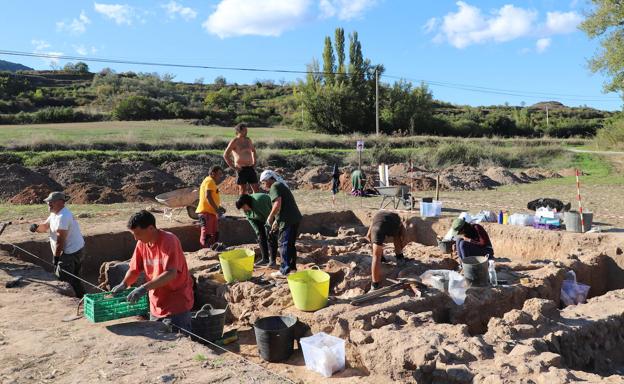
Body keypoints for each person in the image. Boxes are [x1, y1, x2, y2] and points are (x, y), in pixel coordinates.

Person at [112, 210, 194, 332]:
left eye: (138, 234)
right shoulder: (141, 244)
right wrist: (124, 284)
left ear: (151, 228)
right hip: (156, 304)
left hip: (176, 305)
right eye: (133, 234)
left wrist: (143, 288)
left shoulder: (169, 241)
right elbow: (134, 270)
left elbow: (171, 273)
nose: (136, 238)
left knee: (178, 342)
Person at [30, 191, 85, 298]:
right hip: (75, 249)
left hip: (70, 253)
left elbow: (60, 241)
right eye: (48, 202)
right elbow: (45, 226)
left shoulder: (63, 216)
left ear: (60, 202)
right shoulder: (54, 213)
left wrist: (56, 258)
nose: (48, 204)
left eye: (51, 202)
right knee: (75, 279)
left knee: (65, 280)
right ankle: (82, 298)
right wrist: (36, 228)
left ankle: (72, 301)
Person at [260, 170, 302, 277]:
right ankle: (292, 268)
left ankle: (284, 270)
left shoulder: (274, 186)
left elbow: (278, 203)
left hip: (287, 220)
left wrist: (270, 217)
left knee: (283, 244)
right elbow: (283, 206)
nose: (264, 185)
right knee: (290, 244)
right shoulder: (280, 185)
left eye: (264, 182)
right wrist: (276, 221)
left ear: (269, 180)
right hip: (294, 218)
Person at [365, 211, 418, 291]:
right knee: (396, 236)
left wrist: (376, 247)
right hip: (389, 226)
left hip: (377, 227)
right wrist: (400, 247)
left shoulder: (377, 217)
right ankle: (399, 258)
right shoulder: (397, 220)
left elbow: (368, 235)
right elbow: (405, 238)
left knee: (376, 256)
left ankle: (375, 284)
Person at [235, 193, 278, 267]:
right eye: (242, 209)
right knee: (260, 236)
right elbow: (251, 220)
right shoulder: (246, 209)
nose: (244, 210)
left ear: (247, 203)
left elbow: (269, 216)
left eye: (243, 207)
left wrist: (269, 229)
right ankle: (265, 259)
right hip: (259, 217)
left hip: (271, 214)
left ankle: (273, 261)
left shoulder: (258, 202)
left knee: (271, 236)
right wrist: (257, 231)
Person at [223, 123, 259, 195]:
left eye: (246, 130)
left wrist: (254, 163)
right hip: (241, 169)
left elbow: (253, 151)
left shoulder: (248, 140)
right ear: (239, 131)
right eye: (244, 130)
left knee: (256, 189)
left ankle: (256, 204)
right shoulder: (234, 141)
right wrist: (234, 167)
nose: (246, 132)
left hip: (250, 167)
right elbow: (225, 155)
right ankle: (243, 205)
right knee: (242, 190)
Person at [195, 166, 224, 248]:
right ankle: (205, 253)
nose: (220, 176)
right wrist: (217, 209)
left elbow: (210, 197)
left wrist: (218, 207)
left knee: (214, 234)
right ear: (212, 173)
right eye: (219, 174)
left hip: (210, 212)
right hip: (206, 213)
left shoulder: (210, 182)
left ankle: (213, 250)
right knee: (206, 235)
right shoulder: (210, 181)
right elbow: (208, 196)